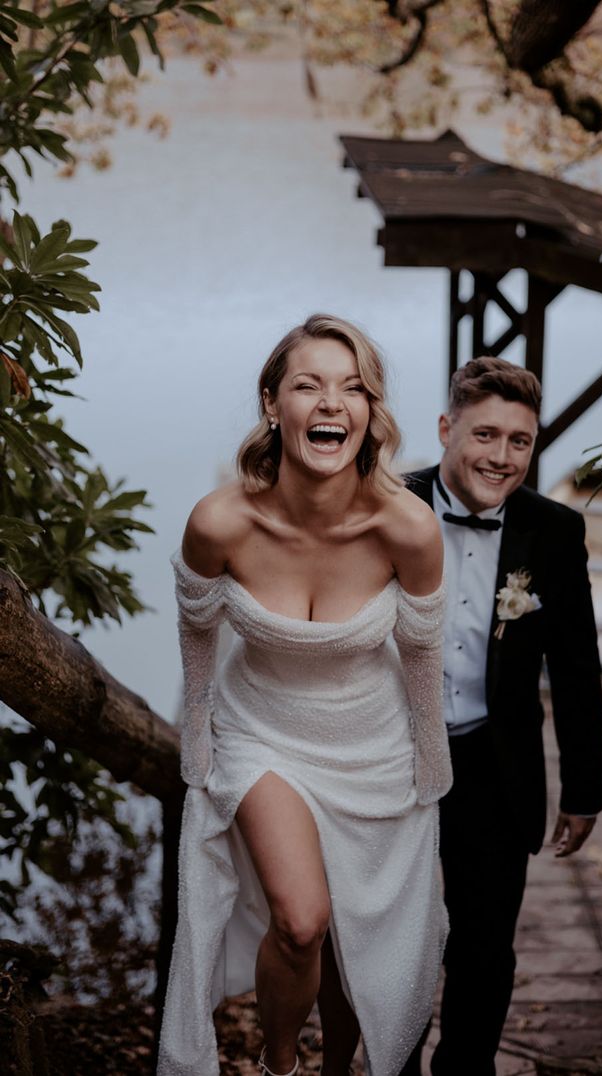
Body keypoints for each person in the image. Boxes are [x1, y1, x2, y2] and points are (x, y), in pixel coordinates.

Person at [157, 314, 453, 1076]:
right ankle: (277, 1065)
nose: (331, 403)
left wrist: (431, 766)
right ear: (271, 404)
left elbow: (421, 655)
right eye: (307, 385)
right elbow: (198, 638)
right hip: (264, 735)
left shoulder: (409, 529)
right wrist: (198, 733)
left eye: (353, 388)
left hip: (375, 746)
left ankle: (336, 1069)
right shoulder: (220, 521)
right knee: (302, 920)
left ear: (370, 413)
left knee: (359, 937)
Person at [400, 355, 602, 1076]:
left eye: (520, 441)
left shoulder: (554, 531)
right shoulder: (385, 507)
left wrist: (585, 790)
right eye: (485, 435)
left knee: (485, 950)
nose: (502, 457)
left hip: (496, 763)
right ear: (446, 428)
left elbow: (577, 668)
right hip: (392, 764)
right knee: (397, 944)